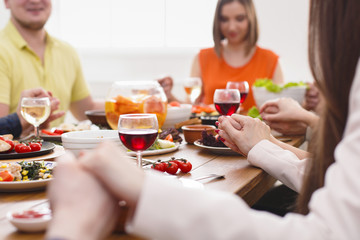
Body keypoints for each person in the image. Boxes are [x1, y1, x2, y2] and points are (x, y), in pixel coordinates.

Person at [46, 0, 360, 239]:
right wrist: (262, 147)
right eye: (225, 18)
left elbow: (330, 231)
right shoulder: (205, 56)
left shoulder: (273, 59)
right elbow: (325, 182)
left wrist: (145, 191)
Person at [159, 0, 284, 111]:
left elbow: (280, 108)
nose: (232, 27)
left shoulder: (270, 60)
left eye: (239, 18)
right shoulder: (203, 57)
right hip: (212, 133)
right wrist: (169, 96)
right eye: (224, 19)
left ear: (250, 19)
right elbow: (192, 106)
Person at [0, 0, 103, 127]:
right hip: (17, 147)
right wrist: (24, 122)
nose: (35, 1)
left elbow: (87, 109)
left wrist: (130, 104)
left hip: (59, 147)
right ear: (6, 2)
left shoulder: (67, 51)